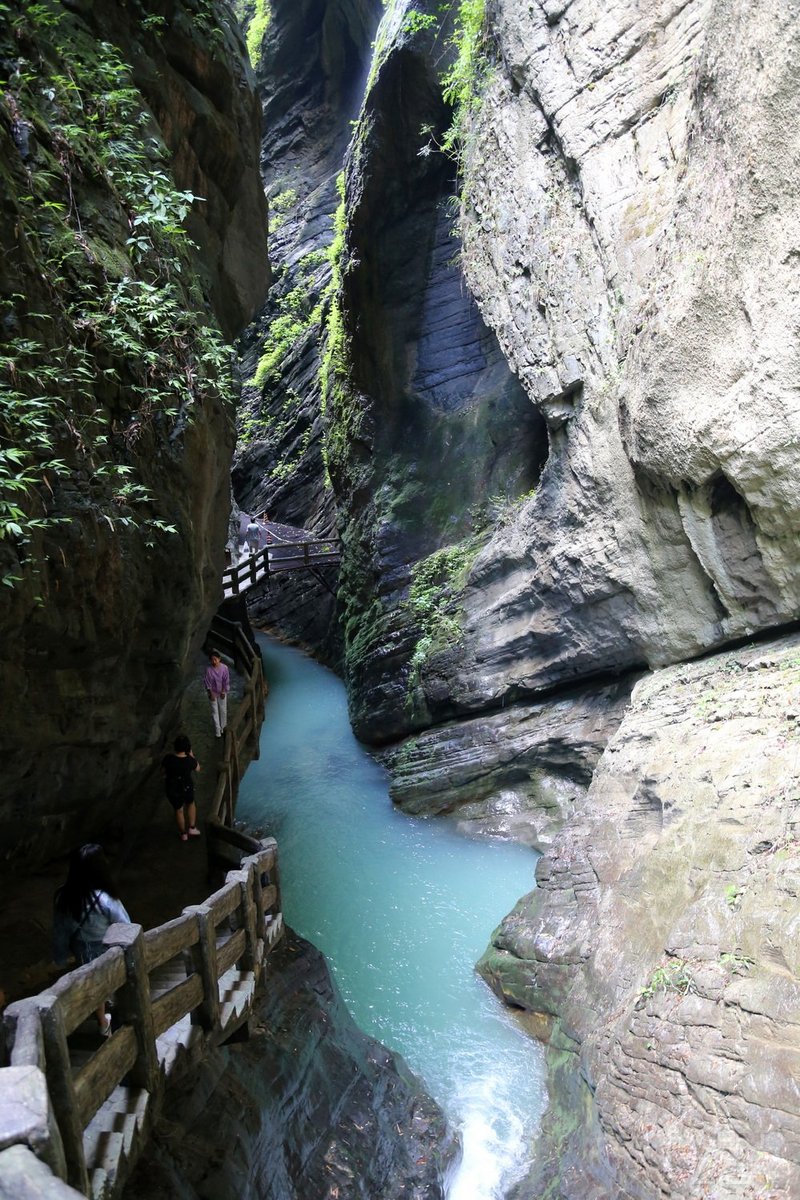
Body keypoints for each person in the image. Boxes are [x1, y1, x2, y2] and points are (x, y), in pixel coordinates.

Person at [53, 844, 131, 1035]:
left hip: (81, 949)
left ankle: (102, 1021)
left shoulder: (64, 897)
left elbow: (61, 930)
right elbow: (125, 924)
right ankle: (115, 1021)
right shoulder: (105, 898)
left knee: (94, 984)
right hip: (106, 947)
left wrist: (60, 956)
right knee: (110, 981)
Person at [161, 734, 202, 841]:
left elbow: (163, 771)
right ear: (188, 747)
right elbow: (198, 768)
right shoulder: (189, 760)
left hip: (172, 788)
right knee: (191, 804)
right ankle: (192, 828)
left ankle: (183, 834)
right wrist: (191, 754)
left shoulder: (168, 758)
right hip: (186, 787)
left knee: (178, 810)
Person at [204, 648, 230, 739]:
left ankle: (223, 727)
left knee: (223, 710)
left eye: (215, 659)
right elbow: (207, 683)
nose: (214, 661)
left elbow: (226, 681)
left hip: (222, 691)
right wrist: (211, 694)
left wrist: (223, 691)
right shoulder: (209, 670)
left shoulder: (224, 668)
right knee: (215, 712)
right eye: (212, 659)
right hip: (213, 692)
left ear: (219, 659)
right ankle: (218, 731)